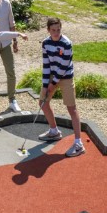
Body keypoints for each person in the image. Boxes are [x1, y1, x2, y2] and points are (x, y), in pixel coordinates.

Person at [37, 17, 85, 157]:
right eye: (53, 30)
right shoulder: (46, 43)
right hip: (52, 75)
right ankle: (54, 131)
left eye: (58, 30)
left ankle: (78, 144)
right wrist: (46, 85)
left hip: (66, 77)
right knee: (43, 103)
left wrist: (53, 84)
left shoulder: (67, 43)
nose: (56, 32)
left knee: (72, 108)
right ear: (48, 30)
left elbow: (64, 67)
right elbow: (46, 65)